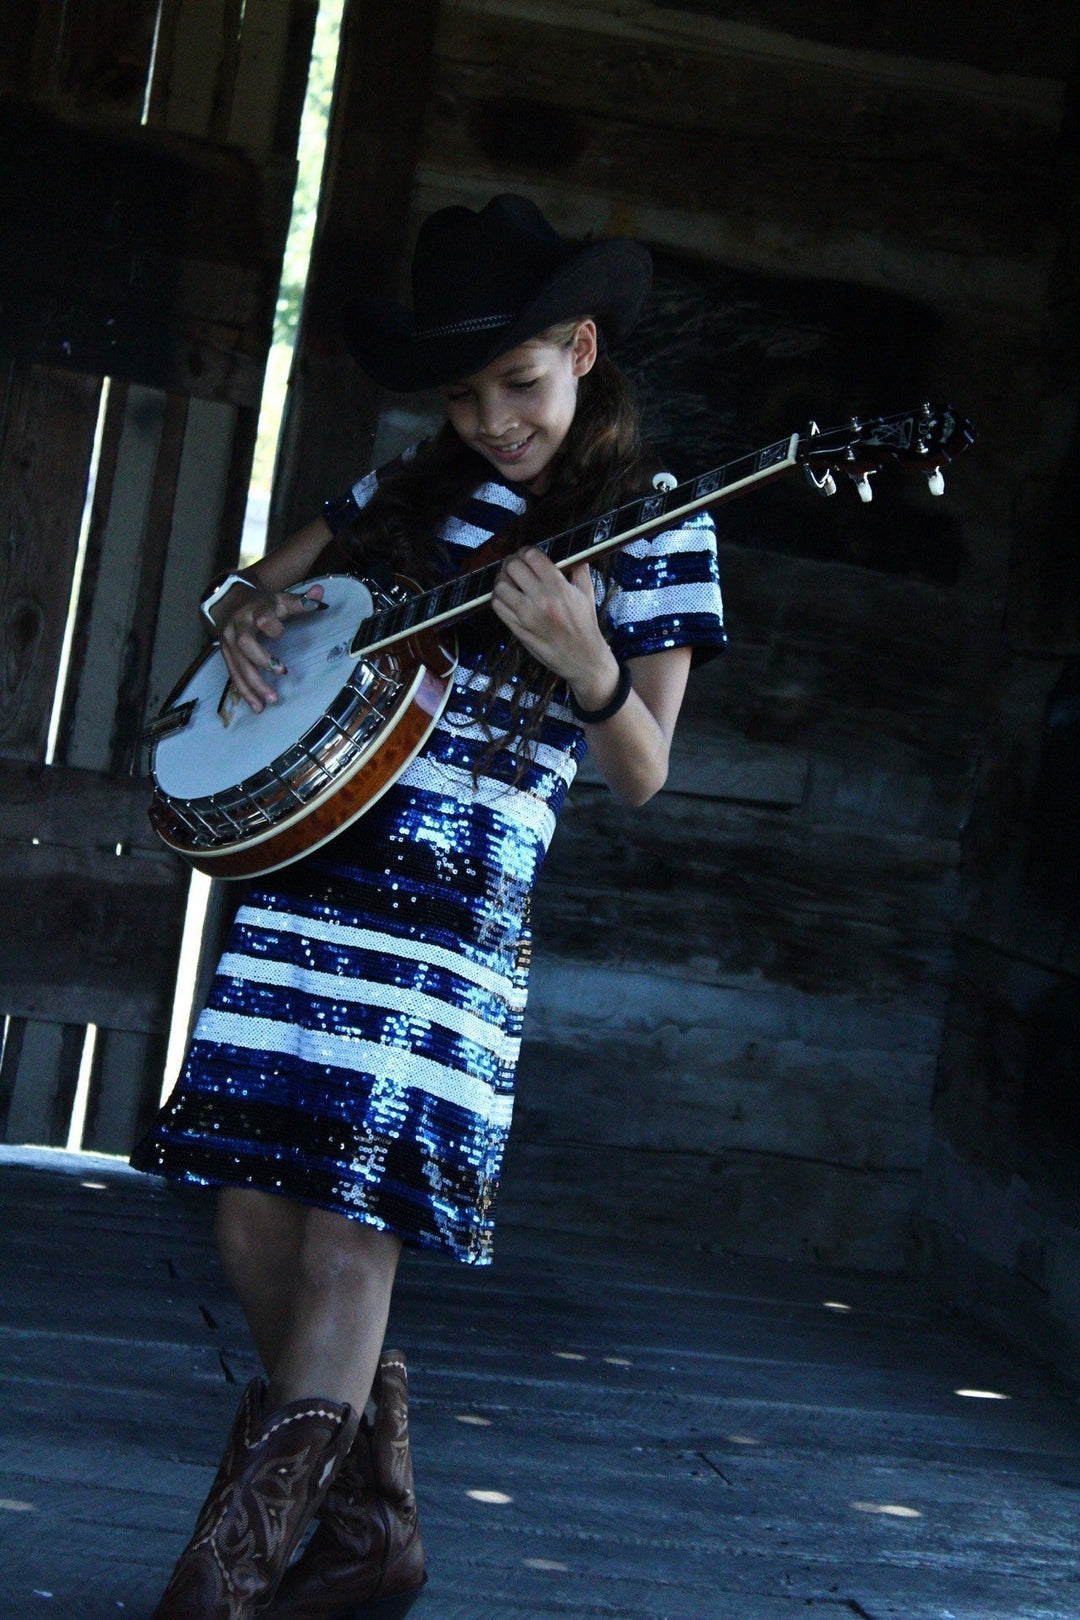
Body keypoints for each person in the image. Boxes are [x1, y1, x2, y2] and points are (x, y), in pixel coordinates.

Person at [131, 193, 725, 1620]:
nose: (496, 421)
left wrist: (587, 660)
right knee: (251, 1223)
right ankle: (371, 1522)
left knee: (349, 1232)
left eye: (519, 385)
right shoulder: (407, 493)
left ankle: (217, 1586)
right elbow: (254, 595)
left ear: (582, 349)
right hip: (309, 873)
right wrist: (249, 615)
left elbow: (640, 766)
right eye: (467, 395)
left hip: (449, 917)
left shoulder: (660, 523)